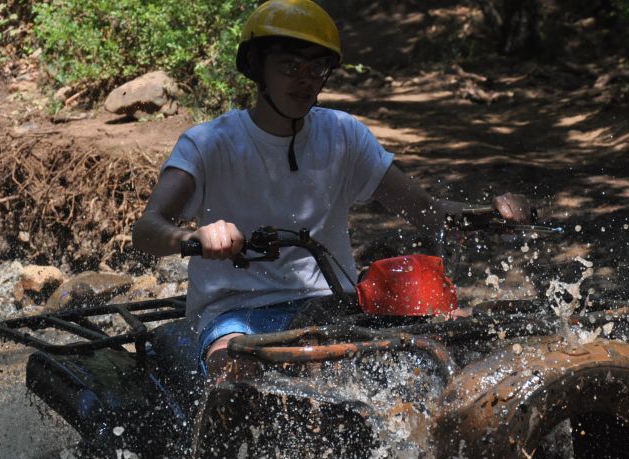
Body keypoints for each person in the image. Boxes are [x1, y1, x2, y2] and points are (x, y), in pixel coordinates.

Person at [132, 0, 531, 381]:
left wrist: (492, 214)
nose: (305, 79)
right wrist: (196, 237)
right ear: (256, 67)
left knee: (452, 344)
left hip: (332, 306)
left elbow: (427, 212)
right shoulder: (208, 143)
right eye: (290, 65)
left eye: (316, 67)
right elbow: (147, 230)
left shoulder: (343, 134)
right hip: (236, 312)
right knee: (236, 375)